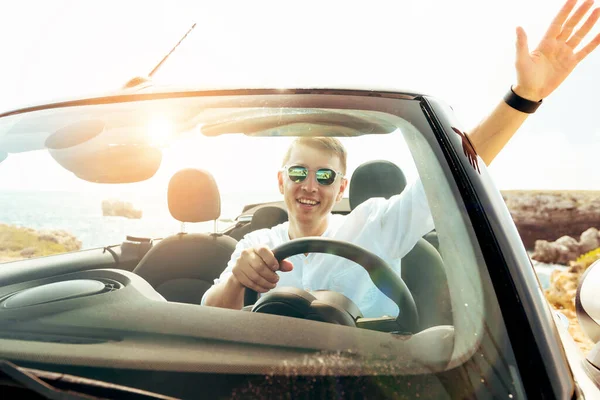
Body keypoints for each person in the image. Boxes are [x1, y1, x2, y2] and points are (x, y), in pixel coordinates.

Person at [202, 0, 600, 316]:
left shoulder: (375, 222)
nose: (310, 185)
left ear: (341, 186)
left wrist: (523, 97)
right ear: (281, 181)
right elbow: (210, 319)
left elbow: (455, 173)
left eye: (325, 176)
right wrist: (238, 280)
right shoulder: (257, 243)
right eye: (299, 172)